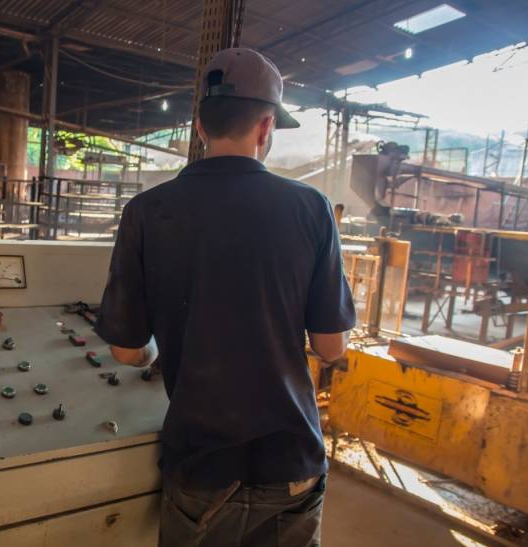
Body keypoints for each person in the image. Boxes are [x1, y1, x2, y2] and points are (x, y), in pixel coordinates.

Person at [94, 48, 356, 547]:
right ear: (265, 128)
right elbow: (330, 347)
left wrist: (157, 352)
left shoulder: (147, 212)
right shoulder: (312, 209)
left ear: (199, 126)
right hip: (291, 461)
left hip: (202, 465)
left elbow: (129, 351)